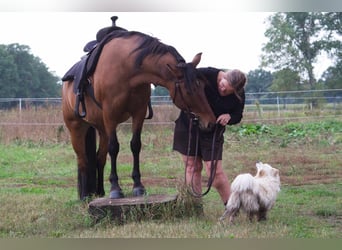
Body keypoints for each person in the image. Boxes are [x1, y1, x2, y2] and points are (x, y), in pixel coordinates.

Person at [173, 67, 247, 207]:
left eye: (228, 91)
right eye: (223, 86)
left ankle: (231, 207)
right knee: (192, 166)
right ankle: (194, 207)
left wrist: (229, 116)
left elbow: (238, 115)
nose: (223, 91)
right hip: (188, 125)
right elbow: (186, 74)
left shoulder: (239, 94)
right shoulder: (208, 74)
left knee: (215, 172)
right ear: (223, 76)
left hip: (213, 130)